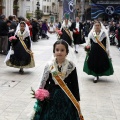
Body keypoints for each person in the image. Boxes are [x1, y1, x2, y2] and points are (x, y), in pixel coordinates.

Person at [33, 40, 81, 120]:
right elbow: (44, 81)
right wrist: (40, 94)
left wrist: (77, 100)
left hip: (67, 95)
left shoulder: (71, 66)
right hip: (51, 95)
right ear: (54, 52)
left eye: (62, 50)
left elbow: (75, 84)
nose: (59, 52)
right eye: (57, 50)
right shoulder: (49, 65)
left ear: (67, 52)